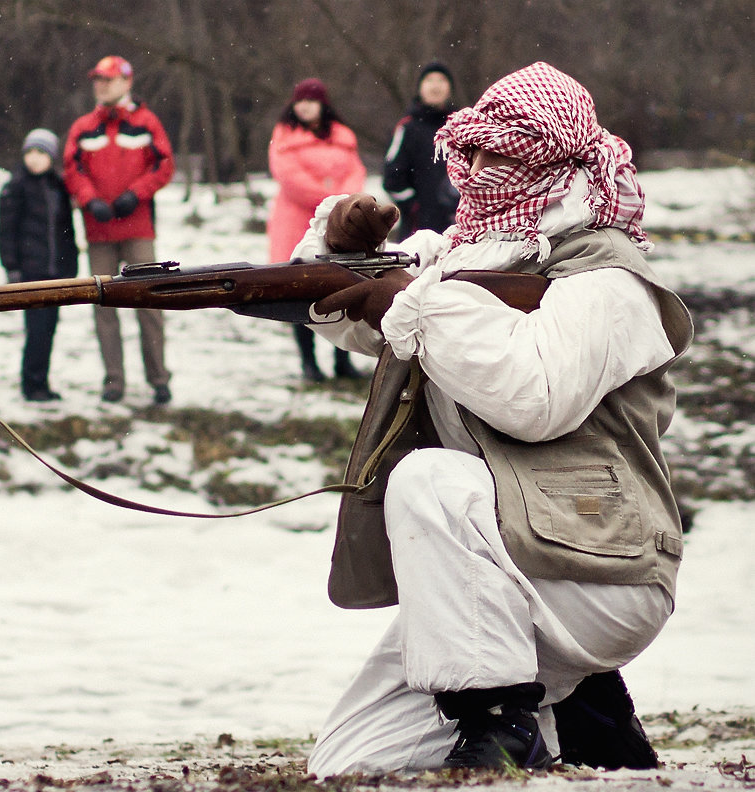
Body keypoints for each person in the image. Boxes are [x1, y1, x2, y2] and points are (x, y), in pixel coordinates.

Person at [294, 62, 692, 774]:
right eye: (472, 151)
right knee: (350, 763)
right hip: (505, 568)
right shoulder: (477, 254)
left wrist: (413, 299)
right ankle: (574, 711)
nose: (477, 169)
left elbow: (532, 395)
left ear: (552, 163)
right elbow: (383, 326)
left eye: (499, 153)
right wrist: (345, 261)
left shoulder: (610, 276)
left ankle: (507, 718)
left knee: (428, 481)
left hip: (606, 571)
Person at [63, 55, 175, 405]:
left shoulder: (146, 122)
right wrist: (87, 199)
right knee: (103, 307)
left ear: (127, 82)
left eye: (108, 79)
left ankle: (158, 379)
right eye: (98, 79)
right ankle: (114, 381)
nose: (101, 84)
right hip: (98, 233)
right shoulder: (83, 126)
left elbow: (164, 165)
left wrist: (135, 195)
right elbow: (71, 169)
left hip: (138, 229)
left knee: (150, 304)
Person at [267, 78, 366, 383]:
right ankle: (308, 362)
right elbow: (289, 177)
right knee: (299, 289)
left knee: (344, 286)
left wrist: (340, 200)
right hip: (295, 222)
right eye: (300, 100)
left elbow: (355, 172)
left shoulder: (343, 138)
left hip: (338, 223)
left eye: (311, 100)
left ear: (323, 104)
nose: (305, 105)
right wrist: (329, 197)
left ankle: (342, 360)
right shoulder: (284, 137)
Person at [0, 128, 79, 402]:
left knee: (49, 328)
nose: (34, 158)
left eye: (41, 153)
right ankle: (32, 385)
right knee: (37, 328)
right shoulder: (16, 186)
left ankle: (41, 381)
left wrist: (71, 265)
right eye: (30, 152)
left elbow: (66, 231)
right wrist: (12, 267)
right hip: (31, 271)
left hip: (56, 271)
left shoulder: (58, 186)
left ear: (52, 157)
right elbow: (6, 231)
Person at [382, 61, 459, 241]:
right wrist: (414, 205)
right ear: (420, 88)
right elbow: (391, 178)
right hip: (418, 231)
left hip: (460, 226)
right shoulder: (408, 128)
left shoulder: (460, 126)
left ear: (450, 88)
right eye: (430, 80)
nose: (435, 86)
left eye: (441, 80)